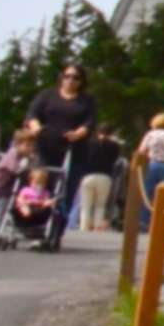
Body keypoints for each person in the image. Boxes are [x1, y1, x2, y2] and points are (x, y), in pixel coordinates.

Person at [22, 62, 98, 253]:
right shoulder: (47, 95)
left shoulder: (86, 101)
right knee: (40, 188)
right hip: (46, 145)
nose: (70, 80)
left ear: (81, 81)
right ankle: (36, 230)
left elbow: (90, 122)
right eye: (67, 76)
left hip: (73, 150)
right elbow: (32, 114)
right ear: (61, 77)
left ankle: (55, 233)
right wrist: (36, 127)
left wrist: (78, 133)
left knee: (65, 193)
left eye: (75, 77)